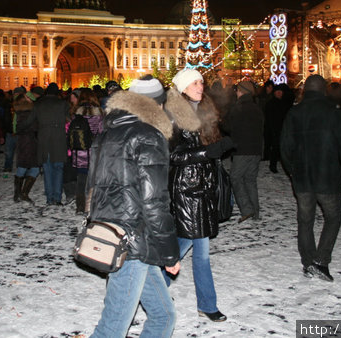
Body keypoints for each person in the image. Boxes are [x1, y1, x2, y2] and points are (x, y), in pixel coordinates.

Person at [89, 75, 180, 338]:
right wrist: (170, 253)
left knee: (164, 316)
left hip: (117, 234)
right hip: (133, 239)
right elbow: (155, 202)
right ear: (157, 105)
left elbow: (92, 189)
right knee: (112, 328)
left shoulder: (109, 131)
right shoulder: (149, 136)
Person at [164, 68, 234, 322]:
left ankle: (155, 287)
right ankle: (207, 304)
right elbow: (173, 156)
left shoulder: (203, 110)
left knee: (186, 244)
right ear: (182, 87)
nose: (200, 86)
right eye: (194, 83)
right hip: (186, 191)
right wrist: (208, 153)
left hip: (203, 189)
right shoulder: (172, 114)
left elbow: (205, 146)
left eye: (201, 82)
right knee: (200, 251)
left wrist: (222, 143)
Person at [280, 75, 341, 282]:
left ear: (305, 90)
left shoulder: (294, 112)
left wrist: (292, 170)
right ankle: (321, 260)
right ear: (324, 90)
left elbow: (285, 147)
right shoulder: (332, 112)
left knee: (305, 219)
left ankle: (308, 261)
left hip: (303, 177)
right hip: (328, 176)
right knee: (333, 216)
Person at [20, 82, 70, 205]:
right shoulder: (63, 104)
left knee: (47, 169)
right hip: (59, 139)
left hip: (44, 139)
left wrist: (19, 127)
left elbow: (29, 121)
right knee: (58, 169)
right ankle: (57, 198)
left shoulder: (38, 104)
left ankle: (49, 197)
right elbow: (69, 119)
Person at [222, 80, 264, 222]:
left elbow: (229, 127)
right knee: (250, 180)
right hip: (256, 149)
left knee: (235, 178)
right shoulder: (256, 108)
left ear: (241, 91)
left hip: (242, 149)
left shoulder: (238, 107)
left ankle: (247, 210)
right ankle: (255, 212)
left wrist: (222, 121)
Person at [67, 88, 104, 214]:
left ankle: (80, 207)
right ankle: (91, 206)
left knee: (81, 180)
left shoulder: (76, 112)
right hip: (94, 151)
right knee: (93, 180)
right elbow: (101, 132)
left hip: (79, 151)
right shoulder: (98, 113)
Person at [13, 92, 40, 202]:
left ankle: (17, 193)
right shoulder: (32, 113)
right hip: (32, 142)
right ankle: (24, 193)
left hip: (22, 142)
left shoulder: (17, 113)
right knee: (35, 168)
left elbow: (15, 128)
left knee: (22, 166)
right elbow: (36, 127)